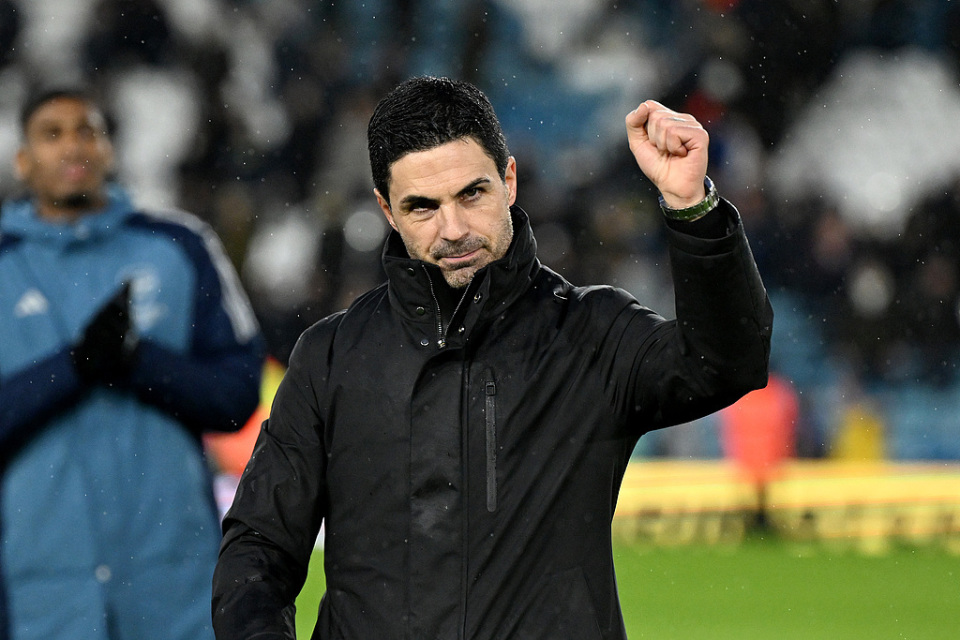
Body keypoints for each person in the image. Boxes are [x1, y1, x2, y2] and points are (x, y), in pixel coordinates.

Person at [212, 76, 773, 639]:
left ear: (509, 180)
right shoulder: (332, 356)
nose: (453, 229)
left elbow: (726, 362)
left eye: (471, 194)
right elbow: (259, 547)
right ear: (387, 210)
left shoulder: (592, 333)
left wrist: (693, 209)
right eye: (422, 207)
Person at [0, 87, 265, 640]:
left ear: (108, 150)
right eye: (52, 133)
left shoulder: (180, 246)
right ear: (23, 159)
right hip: (40, 594)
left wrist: (138, 361)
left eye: (87, 130)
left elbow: (238, 395)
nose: (72, 145)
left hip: (177, 585)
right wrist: (75, 367)